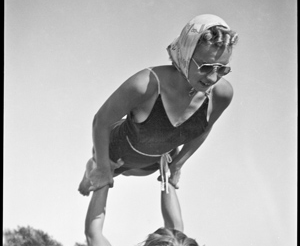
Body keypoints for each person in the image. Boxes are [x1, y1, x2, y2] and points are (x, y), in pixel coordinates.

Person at [78, 13, 238, 196]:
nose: (212, 78)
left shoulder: (222, 94)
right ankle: (90, 170)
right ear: (186, 55)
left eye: (222, 69)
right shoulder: (143, 84)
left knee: (132, 172)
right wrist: (103, 168)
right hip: (118, 145)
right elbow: (101, 121)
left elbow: (206, 127)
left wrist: (178, 164)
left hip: (150, 158)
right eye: (205, 67)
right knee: (94, 182)